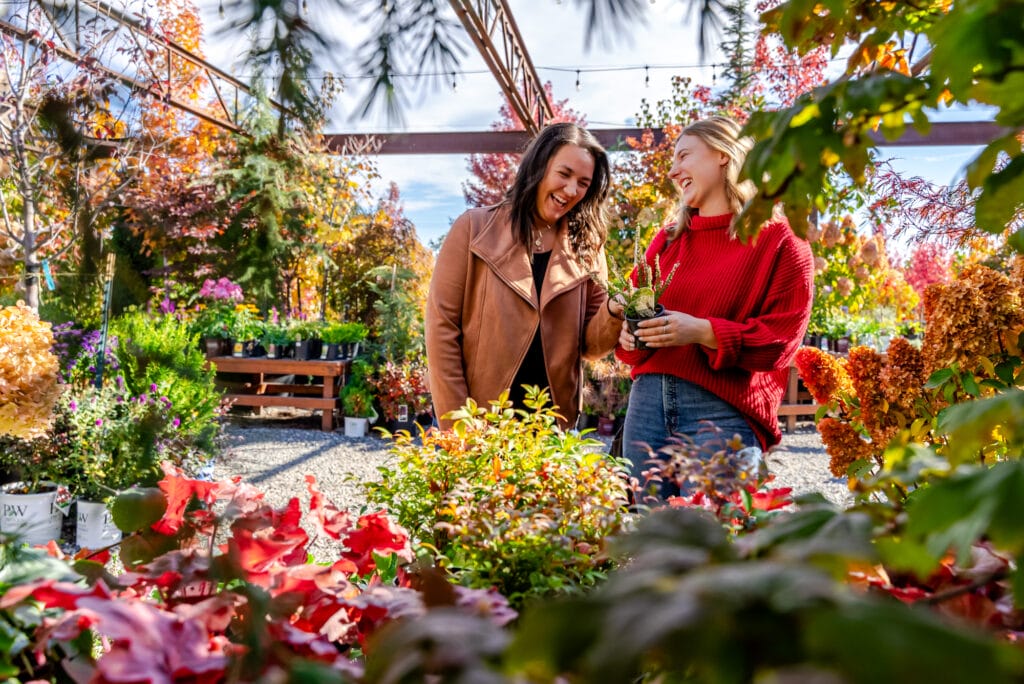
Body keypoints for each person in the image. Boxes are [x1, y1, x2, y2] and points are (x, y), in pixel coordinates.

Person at [615, 116, 814, 499]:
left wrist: (702, 331)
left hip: (721, 412)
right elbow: (628, 332)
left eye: (683, 155)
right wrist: (629, 334)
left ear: (723, 154)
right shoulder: (667, 241)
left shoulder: (781, 242)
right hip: (646, 407)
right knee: (651, 542)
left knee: (718, 543)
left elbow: (780, 343)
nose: (673, 171)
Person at [426, 122, 624, 431]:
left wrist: (613, 312)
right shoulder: (473, 230)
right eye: (564, 174)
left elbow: (591, 346)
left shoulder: (587, 248)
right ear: (538, 166)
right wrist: (458, 424)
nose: (571, 191)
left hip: (552, 429)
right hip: (481, 423)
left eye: (583, 183)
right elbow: (441, 328)